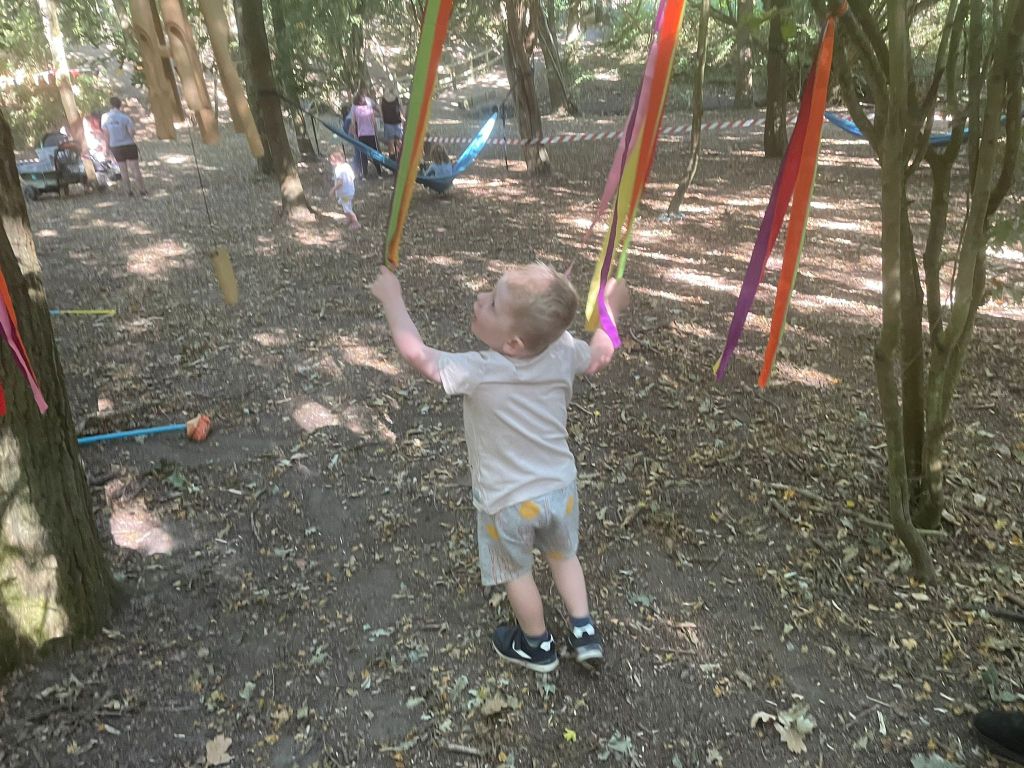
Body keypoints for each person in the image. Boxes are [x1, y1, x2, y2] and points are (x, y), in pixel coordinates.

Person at [369, 262, 629, 673]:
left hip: (506, 502)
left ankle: (537, 644)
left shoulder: (480, 370)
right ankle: (583, 630)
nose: (479, 299)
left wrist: (393, 300)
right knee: (564, 557)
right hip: (559, 490)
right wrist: (610, 310)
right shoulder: (560, 349)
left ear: (513, 343)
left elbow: (418, 355)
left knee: (516, 571)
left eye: (490, 303)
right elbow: (601, 354)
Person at [101, 96, 147, 197]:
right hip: (128, 144)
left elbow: (106, 134)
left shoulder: (105, 117)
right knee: (135, 168)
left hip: (115, 146)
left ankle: (128, 191)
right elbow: (131, 132)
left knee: (123, 170)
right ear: (120, 105)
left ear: (110, 105)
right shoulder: (125, 118)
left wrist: (106, 148)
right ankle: (142, 189)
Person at [350, 92, 382, 180]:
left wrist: (355, 134)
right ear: (360, 101)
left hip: (361, 135)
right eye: (363, 98)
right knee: (374, 153)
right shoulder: (369, 108)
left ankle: (365, 175)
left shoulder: (355, 109)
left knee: (363, 154)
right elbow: (374, 122)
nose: (365, 99)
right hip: (370, 134)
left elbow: (353, 123)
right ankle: (379, 173)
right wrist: (375, 131)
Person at [329, 151, 360, 229]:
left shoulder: (338, 169)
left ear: (336, 160)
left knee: (346, 208)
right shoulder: (347, 166)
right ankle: (348, 219)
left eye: (331, 160)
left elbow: (340, 182)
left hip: (344, 193)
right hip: (350, 191)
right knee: (347, 204)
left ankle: (355, 222)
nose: (330, 161)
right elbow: (352, 177)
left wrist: (333, 190)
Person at [380, 85, 404, 161]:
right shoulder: (383, 99)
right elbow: (402, 110)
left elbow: (402, 110)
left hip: (393, 123)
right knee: (393, 144)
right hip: (392, 123)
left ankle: (398, 159)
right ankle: (395, 160)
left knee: (396, 143)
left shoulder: (384, 99)